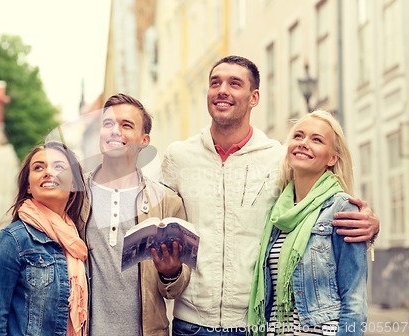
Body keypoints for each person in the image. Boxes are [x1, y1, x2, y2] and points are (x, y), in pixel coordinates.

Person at [161, 55, 379, 335]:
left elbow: (312, 207)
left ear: (254, 98)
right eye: (215, 82)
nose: (222, 90)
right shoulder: (178, 157)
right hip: (189, 323)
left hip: (252, 324)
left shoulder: (279, 158)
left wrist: (371, 226)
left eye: (234, 83)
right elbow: (158, 221)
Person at [79, 93, 190, 336]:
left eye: (126, 125)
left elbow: (177, 288)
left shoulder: (167, 202)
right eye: (107, 124)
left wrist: (170, 272)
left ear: (144, 141)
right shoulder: (76, 196)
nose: (114, 131)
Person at [248, 110, 367, 335]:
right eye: (298, 136)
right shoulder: (277, 212)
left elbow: (355, 298)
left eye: (317, 140)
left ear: (333, 158)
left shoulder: (341, 208)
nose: (304, 143)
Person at [0, 141, 88, 336]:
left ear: (73, 184)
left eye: (59, 167)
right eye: (38, 167)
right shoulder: (9, 242)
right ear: (29, 186)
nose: (48, 172)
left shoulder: (77, 243)